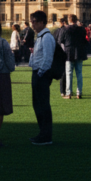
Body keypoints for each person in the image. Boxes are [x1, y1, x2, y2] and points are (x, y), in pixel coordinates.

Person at [29, 10, 54, 146]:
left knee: (43, 105)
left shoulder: (47, 37)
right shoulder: (39, 37)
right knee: (37, 105)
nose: (32, 25)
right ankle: (42, 133)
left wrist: (40, 73)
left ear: (41, 22)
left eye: (34, 22)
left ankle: (46, 135)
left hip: (41, 75)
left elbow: (48, 58)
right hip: (37, 73)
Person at [62, 15, 88, 99]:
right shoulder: (81, 29)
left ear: (69, 20)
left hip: (69, 52)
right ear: (76, 20)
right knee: (79, 73)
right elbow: (84, 40)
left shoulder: (65, 29)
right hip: (79, 52)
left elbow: (61, 40)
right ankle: (79, 92)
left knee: (69, 73)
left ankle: (68, 93)